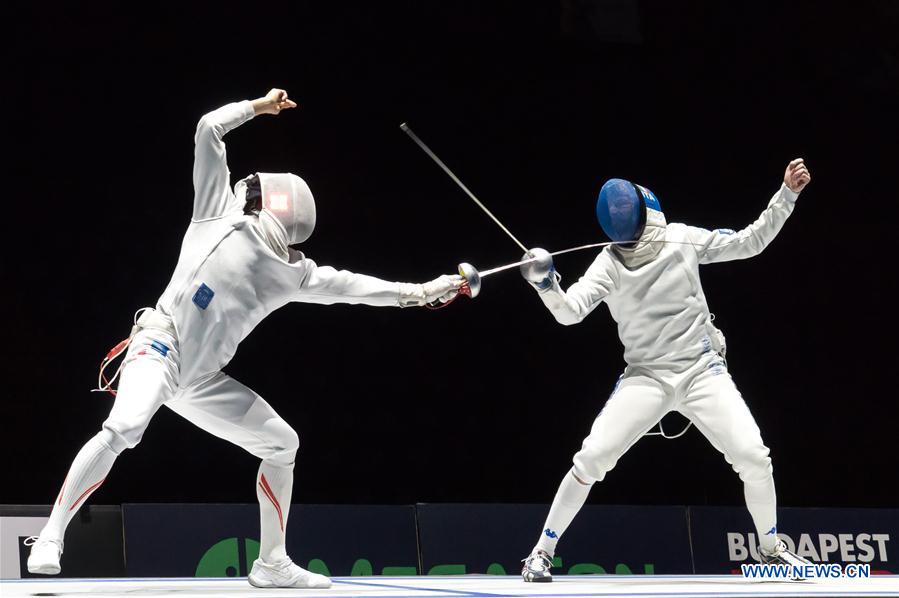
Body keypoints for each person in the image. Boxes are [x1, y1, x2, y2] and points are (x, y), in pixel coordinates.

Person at [25, 88, 463, 589]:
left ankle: (272, 563)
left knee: (281, 444)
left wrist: (258, 107)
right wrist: (421, 292)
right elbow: (360, 289)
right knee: (124, 427)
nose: (241, 187)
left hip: (199, 381)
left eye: (250, 188)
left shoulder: (254, 241)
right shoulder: (290, 268)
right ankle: (52, 534)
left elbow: (209, 127)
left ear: (266, 203)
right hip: (158, 345)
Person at [518, 159, 812, 582]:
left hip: (701, 371)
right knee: (592, 458)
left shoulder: (682, 240)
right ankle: (541, 553)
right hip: (646, 376)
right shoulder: (608, 264)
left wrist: (786, 195)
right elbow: (570, 312)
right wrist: (546, 285)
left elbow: (751, 242)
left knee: (753, 457)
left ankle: (770, 548)